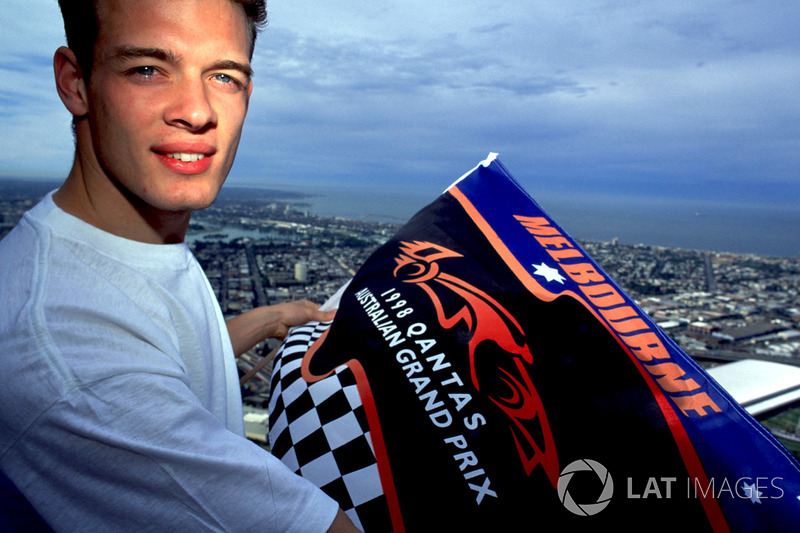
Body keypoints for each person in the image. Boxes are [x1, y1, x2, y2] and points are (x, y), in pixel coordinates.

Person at [0, 0, 360, 531]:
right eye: (148, 69)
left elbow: (162, 354)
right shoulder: (69, 349)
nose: (197, 110)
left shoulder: (108, 245)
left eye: (223, 76)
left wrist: (268, 319)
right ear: (75, 82)